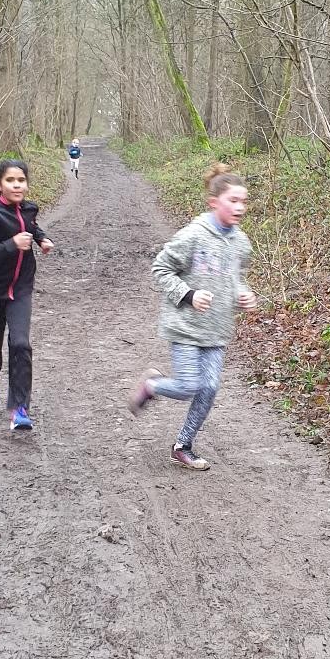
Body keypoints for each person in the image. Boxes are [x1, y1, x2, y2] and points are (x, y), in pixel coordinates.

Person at [129, 163, 256, 469]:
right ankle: (152, 385)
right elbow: (161, 268)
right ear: (214, 202)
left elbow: (236, 277)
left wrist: (244, 293)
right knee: (189, 386)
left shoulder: (241, 242)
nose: (239, 207)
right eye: (233, 201)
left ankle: (183, 445)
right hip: (185, 325)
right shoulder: (193, 235)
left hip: (216, 329)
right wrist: (189, 294)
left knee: (209, 387)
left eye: (243, 201)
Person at [0, 159, 54, 431]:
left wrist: (41, 239)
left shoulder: (29, 209)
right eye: (10, 181)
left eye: (21, 181)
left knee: (20, 344)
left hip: (21, 289)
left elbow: (32, 226)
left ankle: (19, 408)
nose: (17, 185)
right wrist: (11, 245)